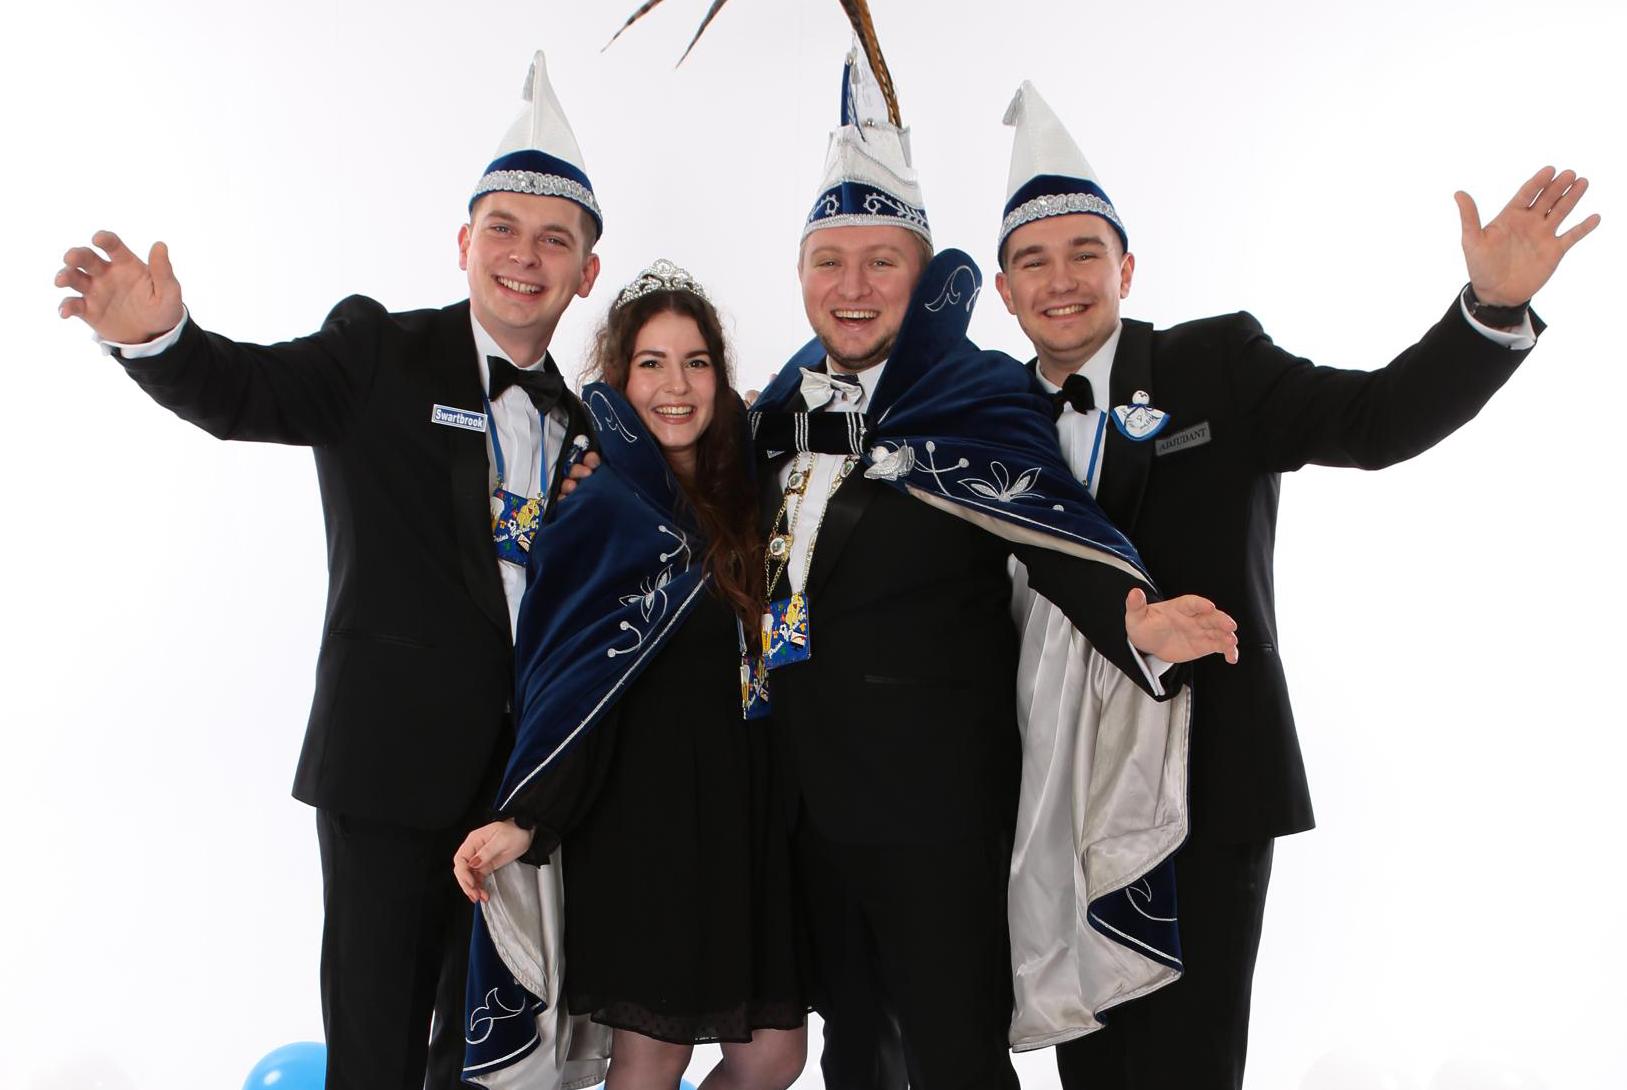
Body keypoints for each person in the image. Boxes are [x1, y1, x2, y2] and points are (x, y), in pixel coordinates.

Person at [988, 81, 1599, 1090]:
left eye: (1083, 253)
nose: (1061, 281)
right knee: (1091, 1075)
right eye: (1033, 261)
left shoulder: (1215, 362)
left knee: (1185, 1072)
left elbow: (1375, 420)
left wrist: (1488, 309)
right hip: (1051, 795)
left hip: (1205, 782)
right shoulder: (984, 421)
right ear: (1004, 291)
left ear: (1126, 267)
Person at [51, 51, 605, 1090]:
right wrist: (162, 340)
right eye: (503, 229)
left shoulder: (587, 431)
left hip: (515, 802)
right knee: (373, 1051)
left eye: (554, 239)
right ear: (464, 245)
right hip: (386, 771)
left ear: (586, 271)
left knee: (485, 1059)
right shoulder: (377, 353)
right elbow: (247, 390)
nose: (524, 257)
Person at [747, 48, 1241, 1090]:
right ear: (800, 275)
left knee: (953, 1055)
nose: (852, 286)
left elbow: (1047, 525)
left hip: (937, 809)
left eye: (881, 261)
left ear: (922, 274)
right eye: (830, 261)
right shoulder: (774, 412)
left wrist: (1131, 618)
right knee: (854, 1053)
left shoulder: (973, 394)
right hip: (801, 798)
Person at [452, 260, 807, 1090]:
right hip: (644, 821)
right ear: (618, 380)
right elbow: (568, 681)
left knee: (773, 1055)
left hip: (745, 815)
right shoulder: (599, 506)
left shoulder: (748, 493)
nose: (675, 386)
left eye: (695, 363)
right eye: (651, 363)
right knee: (653, 1058)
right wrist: (529, 817)